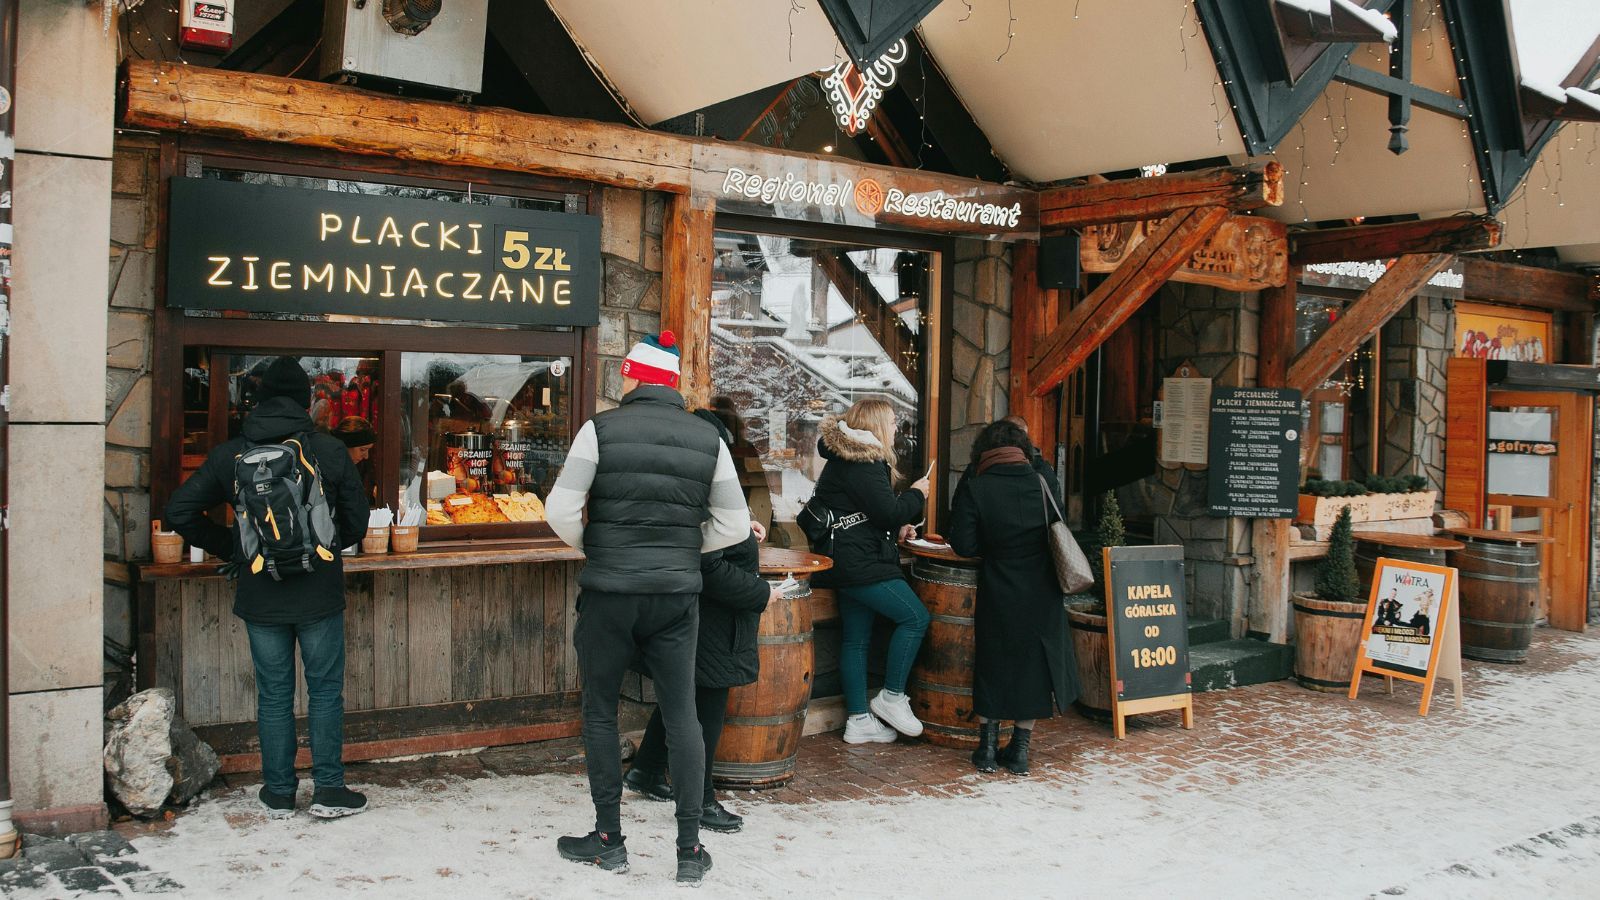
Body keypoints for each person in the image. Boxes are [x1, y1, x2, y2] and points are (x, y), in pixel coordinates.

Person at [545, 331, 750, 886]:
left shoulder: (600, 429)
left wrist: (598, 548)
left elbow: (559, 508)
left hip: (609, 593)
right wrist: (682, 552)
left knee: (600, 710)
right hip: (676, 597)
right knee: (682, 713)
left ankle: (608, 840)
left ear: (633, 378)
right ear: (673, 385)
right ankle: (688, 848)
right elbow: (732, 525)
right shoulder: (709, 439)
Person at [164, 357, 370, 819]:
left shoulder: (230, 454)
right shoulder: (330, 450)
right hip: (318, 592)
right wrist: (323, 547)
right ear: (305, 400)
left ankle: (278, 792)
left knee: (274, 694)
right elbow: (356, 524)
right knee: (324, 691)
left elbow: (178, 511)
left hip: (261, 594)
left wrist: (236, 548)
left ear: (256, 400)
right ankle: (329, 790)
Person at [624, 411, 781, 835]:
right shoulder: (700, 477)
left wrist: (741, 528)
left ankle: (646, 771)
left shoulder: (682, 477)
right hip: (709, 619)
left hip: (688, 612)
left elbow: (709, 534)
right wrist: (762, 592)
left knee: (682, 698)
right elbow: (709, 566)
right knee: (706, 710)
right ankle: (702, 800)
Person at [947, 419, 1079, 776]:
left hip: (998, 587)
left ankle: (986, 750)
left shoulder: (978, 485)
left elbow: (964, 544)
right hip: (1042, 590)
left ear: (984, 451)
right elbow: (1058, 525)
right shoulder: (1041, 479)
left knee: (994, 662)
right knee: (1033, 666)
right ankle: (1019, 751)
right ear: (1022, 447)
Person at [810, 397, 930, 744]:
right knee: (916, 618)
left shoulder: (849, 458)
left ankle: (859, 720)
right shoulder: (862, 461)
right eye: (892, 422)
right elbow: (887, 512)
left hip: (848, 561)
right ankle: (891, 697)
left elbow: (869, 515)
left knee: (856, 640)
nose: (896, 428)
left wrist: (898, 529)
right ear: (876, 425)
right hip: (861, 565)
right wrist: (917, 495)